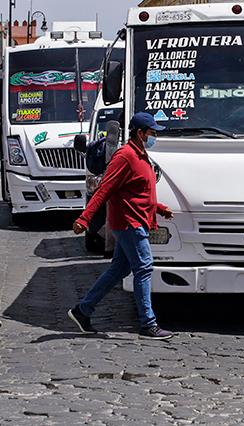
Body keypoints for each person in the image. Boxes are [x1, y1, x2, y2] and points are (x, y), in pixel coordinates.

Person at [68, 112, 174, 340]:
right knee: (144, 268)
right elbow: (104, 189)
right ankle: (148, 323)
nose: (155, 136)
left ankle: (83, 310)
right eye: (152, 133)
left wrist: (159, 208)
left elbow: (138, 192)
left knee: (119, 269)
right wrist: (84, 219)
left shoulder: (141, 154)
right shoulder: (125, 156)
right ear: (139, 133)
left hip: (136, 220)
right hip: (129, 223)